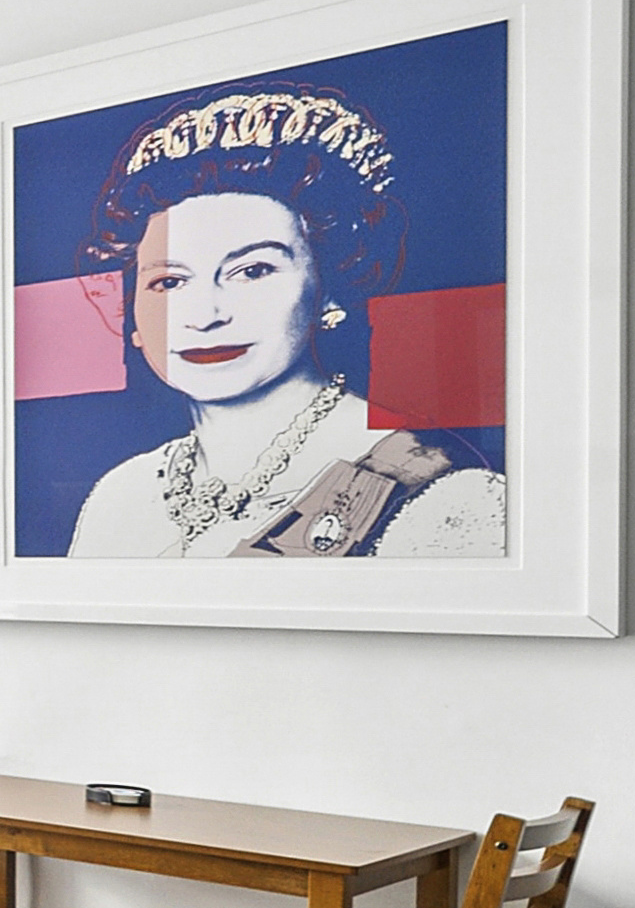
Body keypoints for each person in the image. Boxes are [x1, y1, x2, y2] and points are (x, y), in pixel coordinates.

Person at [60, 86, 506, 559]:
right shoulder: (121, 497)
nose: (207, 316)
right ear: (132, 314)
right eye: (170, 282)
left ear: (329, 289)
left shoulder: (448, 499)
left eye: (252, 272)